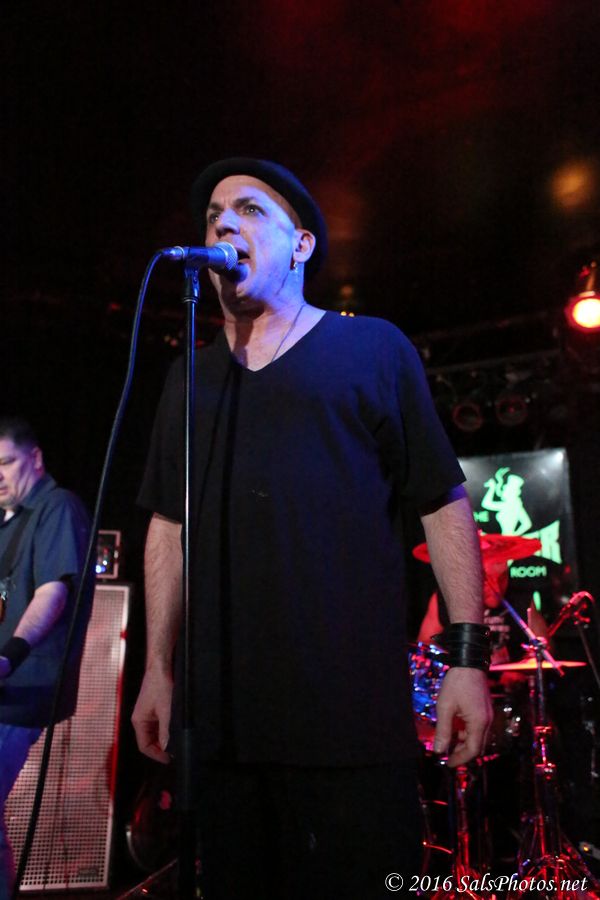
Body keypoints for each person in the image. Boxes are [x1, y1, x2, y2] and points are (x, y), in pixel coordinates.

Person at [132, 157, 492, 900]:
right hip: (222, 730)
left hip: (350, 725)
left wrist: (467, 657)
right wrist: (158, 669)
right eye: (212, 216)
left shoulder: (373, 349)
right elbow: (168, 526)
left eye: (248, 209)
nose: (223, 224)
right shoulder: (189, 379)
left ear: (300, 246)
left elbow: (441, 502)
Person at [0, 417, 92, 899]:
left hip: (20, 687)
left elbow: (53, 593)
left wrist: (8, 657)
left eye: (5, 463)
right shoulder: (9, 520)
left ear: (35, 459)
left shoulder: (57, 507)